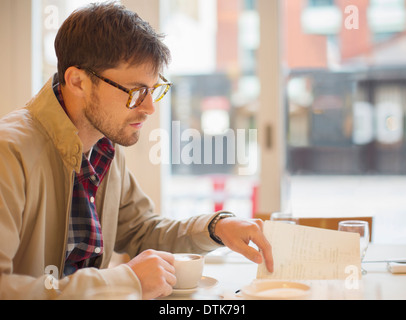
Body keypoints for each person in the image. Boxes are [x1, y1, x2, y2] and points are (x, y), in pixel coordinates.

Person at [0, 2, 273, 300]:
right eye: (135, 92)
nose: (149, 108)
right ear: (78, 81)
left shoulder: (104, 146)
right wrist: (123, 281)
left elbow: (142, 230)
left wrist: (217, 227)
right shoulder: (9, 153)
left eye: (153, 90)